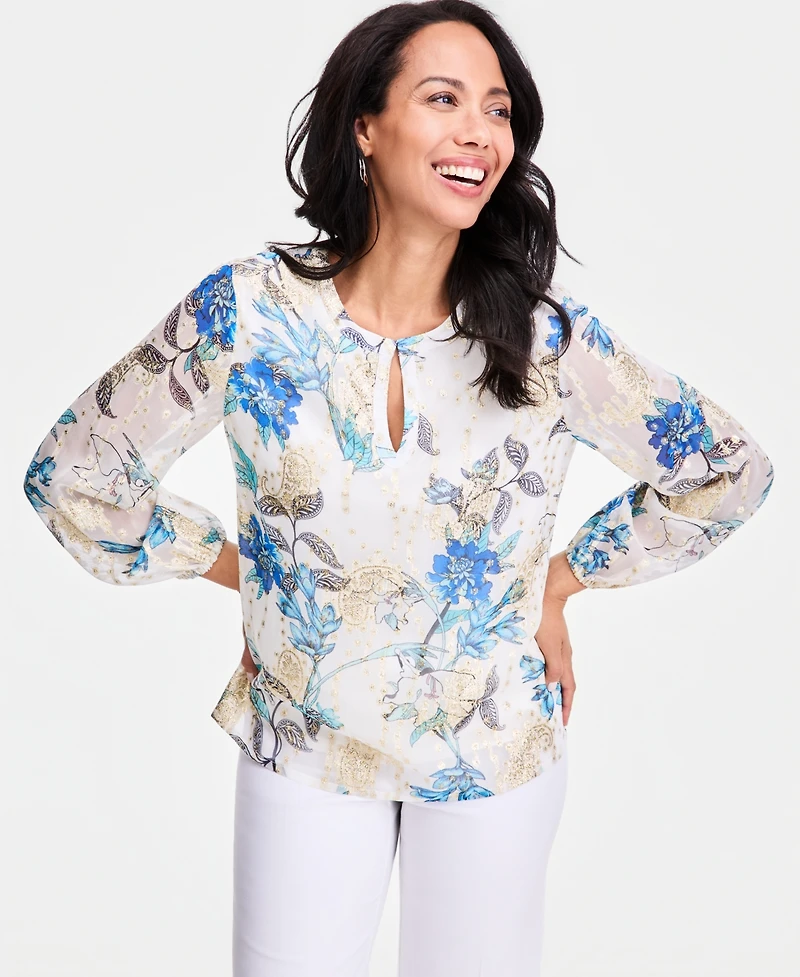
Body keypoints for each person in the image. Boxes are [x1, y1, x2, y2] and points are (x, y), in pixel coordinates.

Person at [22, 2, 775, 975]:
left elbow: (726, 468)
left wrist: (558, 579)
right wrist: (249, 572)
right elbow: (74, 474)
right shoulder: (249, 311)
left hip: (490, 749)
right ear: (365, 129)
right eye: (443, 99)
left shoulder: (544, 337)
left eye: (497, 110)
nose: (480, 132)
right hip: (303, 739)